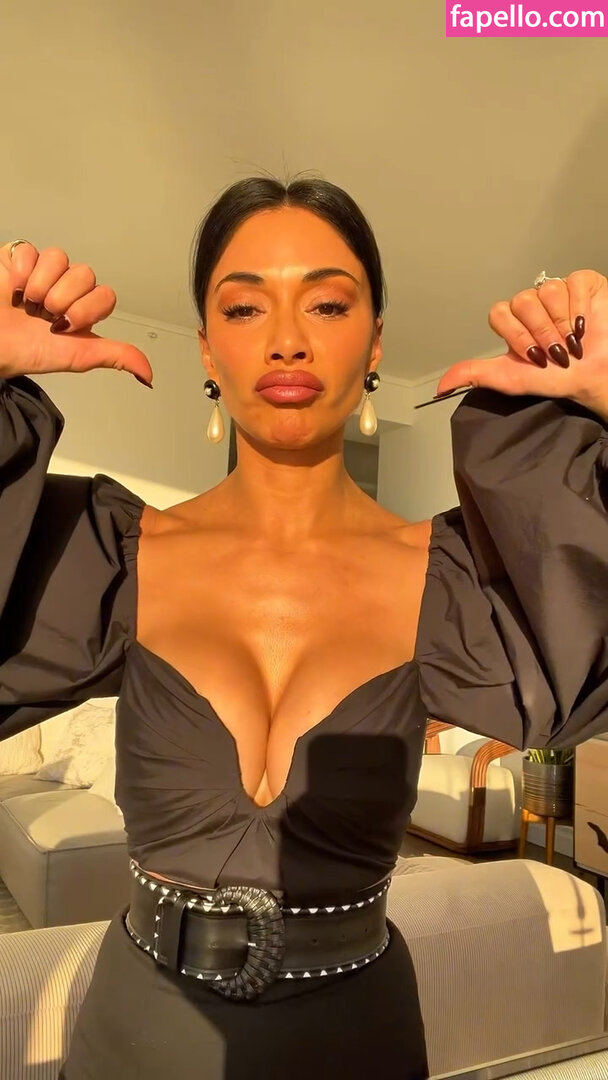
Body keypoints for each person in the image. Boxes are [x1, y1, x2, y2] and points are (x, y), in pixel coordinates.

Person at [0, 175, 606, 1080]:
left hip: (357, 1040)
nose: (287, 339)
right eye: (245, 308)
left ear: (375, 341)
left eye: (327, 303)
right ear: (206, 347)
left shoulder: (459, 585)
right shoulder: (112, 558)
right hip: (134, 1039)